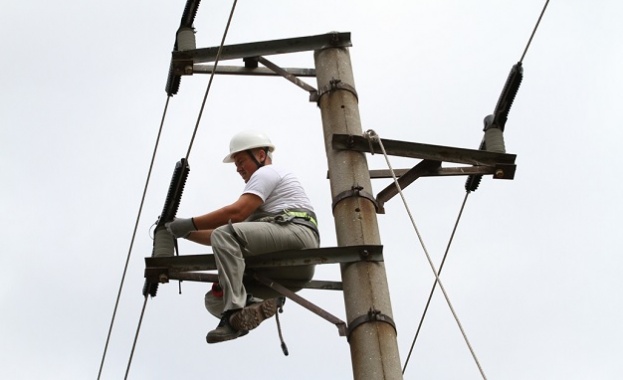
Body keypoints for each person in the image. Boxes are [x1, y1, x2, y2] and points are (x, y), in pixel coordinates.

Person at [166, 130, 319, 344]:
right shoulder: (261, 206)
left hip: (295, 231)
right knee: (213, 301)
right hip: (293, 272)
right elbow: (221, 238)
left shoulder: (267, 174)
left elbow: (235, 214)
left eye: (240, 161)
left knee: (225, 236)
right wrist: (186, 232)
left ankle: (234, 311)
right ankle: (254, 306)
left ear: (261, 155)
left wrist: (189, 223)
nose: (238, 168)